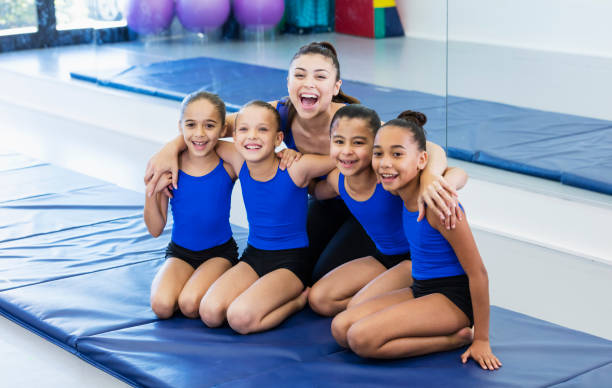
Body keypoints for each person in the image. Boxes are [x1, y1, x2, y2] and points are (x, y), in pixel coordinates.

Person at [144, 41, 459, 284]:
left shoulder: (351, 121)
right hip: (324, 201)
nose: (308, 83)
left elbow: (428, 146)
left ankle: (399, 276)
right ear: (288, 82)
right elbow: (212, 125)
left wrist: (431, 175)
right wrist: (170, 149)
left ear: (335, 88)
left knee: (322, 276)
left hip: (364, 212)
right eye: (299, 75)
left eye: (320, 77)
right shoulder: (276, 113)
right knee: (299, 270)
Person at [330, 111, 501, 370]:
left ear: (422, 160)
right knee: (340, 327)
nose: (385, 163)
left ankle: (454, 339)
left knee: (360, 339)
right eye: (378, 154)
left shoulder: (438, 206)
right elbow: (453, 170)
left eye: (397, 154)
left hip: (451, 298)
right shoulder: (399, 191)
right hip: (420, 287)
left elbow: (478, 273)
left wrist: (482, 339)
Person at [309, 105, 467, 316]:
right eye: (339, 142)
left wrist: (436, 181)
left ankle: (408, 298)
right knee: (320, 300)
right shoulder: (336, 180)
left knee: (357, 307)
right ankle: (380, 301)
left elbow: (457, 170)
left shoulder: (387, 178)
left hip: (413, 260)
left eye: (358, 143)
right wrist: (288, 163)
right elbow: (316, 191)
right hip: (383, 257)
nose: (347, 151)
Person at [198, 101, 335, 334]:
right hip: (254, 255)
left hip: (290, 263)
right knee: (210, 313)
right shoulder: (239, 160)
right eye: (243, 130)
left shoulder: (296, 167)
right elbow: (201, 139)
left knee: (239, 319)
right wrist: (168, 151)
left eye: (262, 130)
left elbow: (342, 159)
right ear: (234, 135)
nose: (252, 136)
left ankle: (298, 300)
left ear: (278, 138)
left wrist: (298, 156)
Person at [144, 91, 239, 319]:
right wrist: (152, 192)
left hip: (219, 253)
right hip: (180, 253)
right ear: (180, 127)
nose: (199, 134)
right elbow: (155, 229)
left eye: (209, 125)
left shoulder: (228, 164)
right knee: (162, 306)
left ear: (222, 129)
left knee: (189, 303)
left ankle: (217, 280)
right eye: (191, 125)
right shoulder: (169, 166)